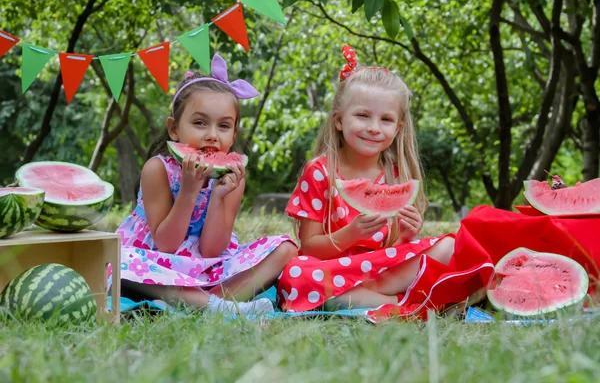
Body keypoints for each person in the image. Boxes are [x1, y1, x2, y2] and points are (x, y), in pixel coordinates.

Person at [277, 46, 493, 319]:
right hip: (333, 271)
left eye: (386, 120)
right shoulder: (320, 171)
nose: (374, 128)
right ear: (339, 121)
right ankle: (405, 305)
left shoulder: (395, 173)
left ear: (398, 127)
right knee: (297, 275)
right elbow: (309, 247)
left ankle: (378, 298)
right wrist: (351, 234)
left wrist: (405, 236)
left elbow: (391, 252)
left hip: (381, 273)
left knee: (449, 246)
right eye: (362, 115)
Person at [113, 54, 298, 315]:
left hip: (208, 265)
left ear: (234, 134)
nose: (212, 134)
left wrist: (219, 196)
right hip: (157, 261)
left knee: (286, 248)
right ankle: (220, 307)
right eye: (199, 123)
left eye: (223, 126)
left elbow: (212, 249)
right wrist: (189, 191)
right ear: (174, 129)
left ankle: (207, 304)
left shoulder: (232, 177)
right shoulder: (157, 169)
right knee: (122, 261)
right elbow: (166, 244)